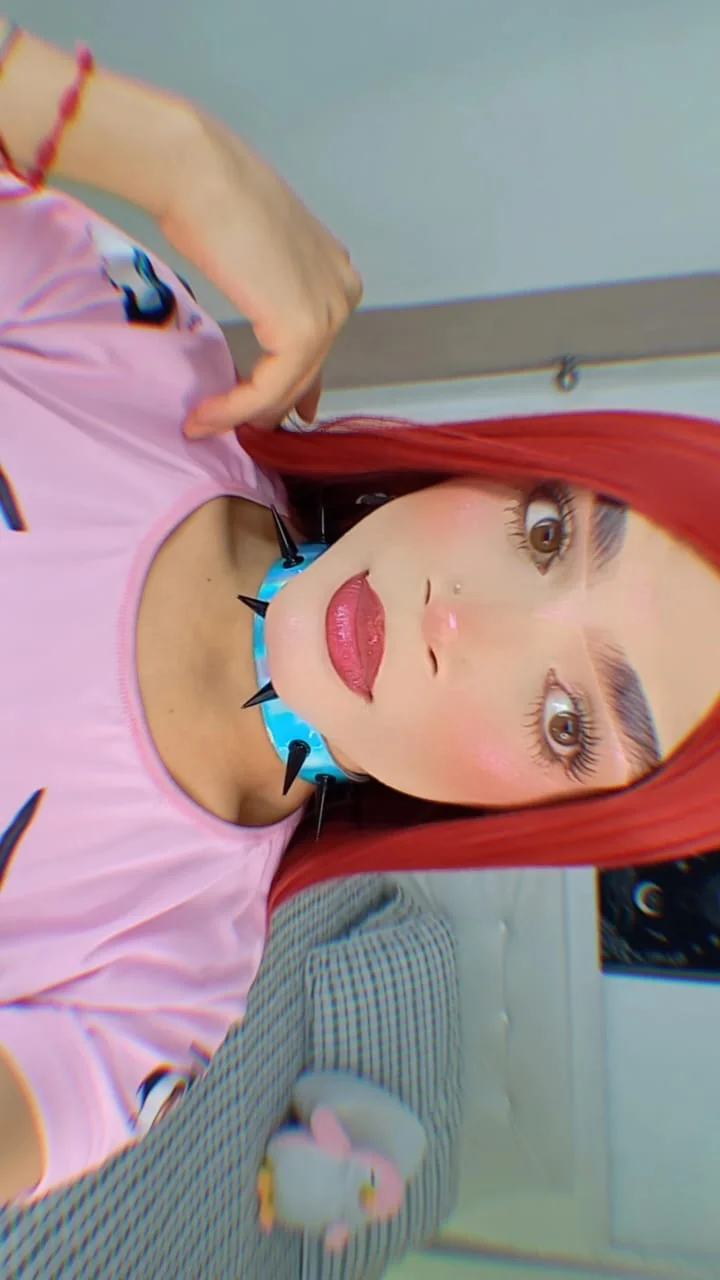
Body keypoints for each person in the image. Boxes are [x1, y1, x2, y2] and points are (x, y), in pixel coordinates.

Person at [1, 19, 718, 1211]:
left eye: (563, 722)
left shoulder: (162, 989)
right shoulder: (143, 351)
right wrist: (162, 148)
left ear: (517, 817)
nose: (462, 624)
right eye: (546, 536)